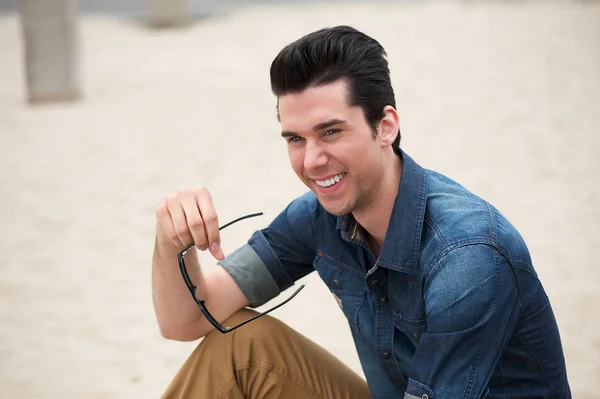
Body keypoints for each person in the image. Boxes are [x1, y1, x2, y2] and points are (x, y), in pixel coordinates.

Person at [152, 26, 571, 399]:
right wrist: (173, 242)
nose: (312, 160)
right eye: (295, 138)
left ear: (385, 126)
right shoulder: (319, 218)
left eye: (330, 131)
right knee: (240, 348)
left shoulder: (468, 257)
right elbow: (186, 322)